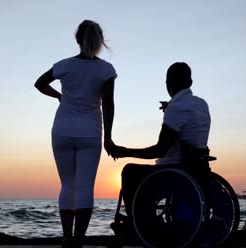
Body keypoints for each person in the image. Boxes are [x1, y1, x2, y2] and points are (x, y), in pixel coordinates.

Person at [34, 20, 116, 248]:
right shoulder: (106, 70)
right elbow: (108, 105)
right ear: (99, 41)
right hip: (90, 132)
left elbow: (39, 83)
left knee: (67, 185)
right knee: (85, 187)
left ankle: (66, 237)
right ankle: (78, 240)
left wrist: (59, 96)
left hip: (62, 130)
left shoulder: (64, 65)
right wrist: (108, 137)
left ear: (78, 39)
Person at [110, 62, 211, 215]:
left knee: (129, 171)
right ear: (190, 83)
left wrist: (124, 151)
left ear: (167, 83)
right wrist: (169, 107)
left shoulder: (175, 109)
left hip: (174, 172)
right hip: (197, 170)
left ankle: (141, 223)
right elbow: (185, 117)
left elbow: (159, 150)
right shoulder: (202, 104)